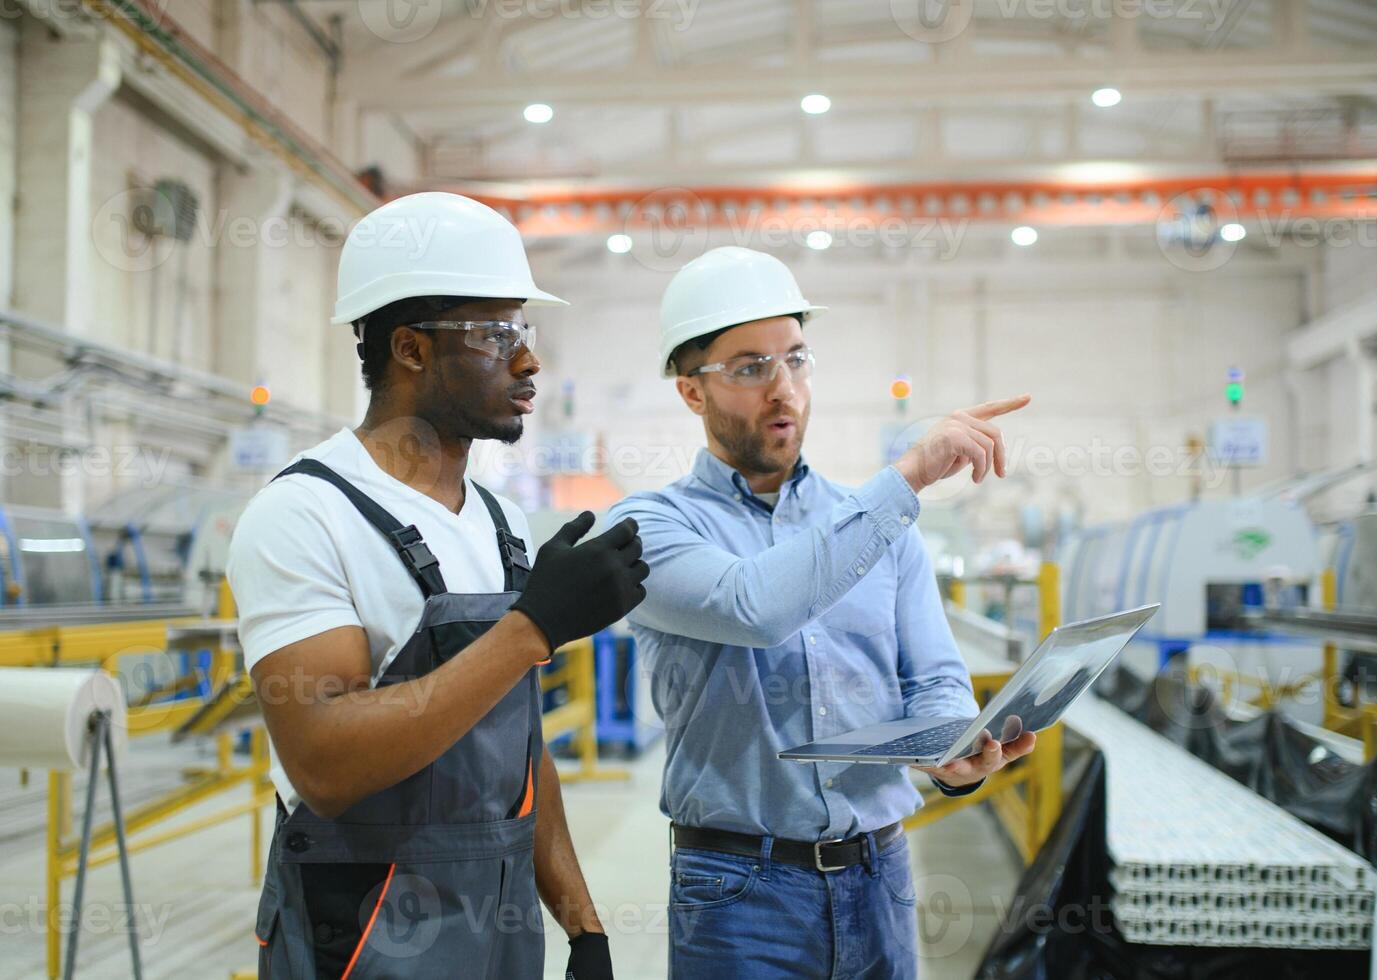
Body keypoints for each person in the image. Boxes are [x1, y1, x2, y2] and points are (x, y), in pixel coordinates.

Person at [228, 192, 646, 979]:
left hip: (500, 922)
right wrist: (528, 631)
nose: (526, 360)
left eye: (523, 331)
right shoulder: (304, 514)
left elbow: (520, 752)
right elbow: (323, 764)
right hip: (363, 928)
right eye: (494, 334)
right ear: (411, 349)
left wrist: (581, 925)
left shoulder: (501, 524)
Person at [607, 246, 1037, 978]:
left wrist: (954, 752)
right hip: (739, 890)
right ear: (690, 391)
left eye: (796, 360)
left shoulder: (875, 527)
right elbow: (756, 607)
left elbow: (932, 673)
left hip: (881, 872)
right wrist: (908, 477)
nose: (784, 390)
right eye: (749, 368)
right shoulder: (646, 529)